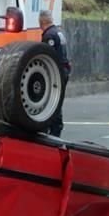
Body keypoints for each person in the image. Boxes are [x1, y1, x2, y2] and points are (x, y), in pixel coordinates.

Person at [39, 9, 71, 137]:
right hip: (64, 70)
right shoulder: (58, 32)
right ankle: (55, 128)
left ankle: (54, 130)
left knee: (52, 102)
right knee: (57, 100)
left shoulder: (49, 36)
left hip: (55, 73)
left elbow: (48, 56)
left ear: (42, 21)